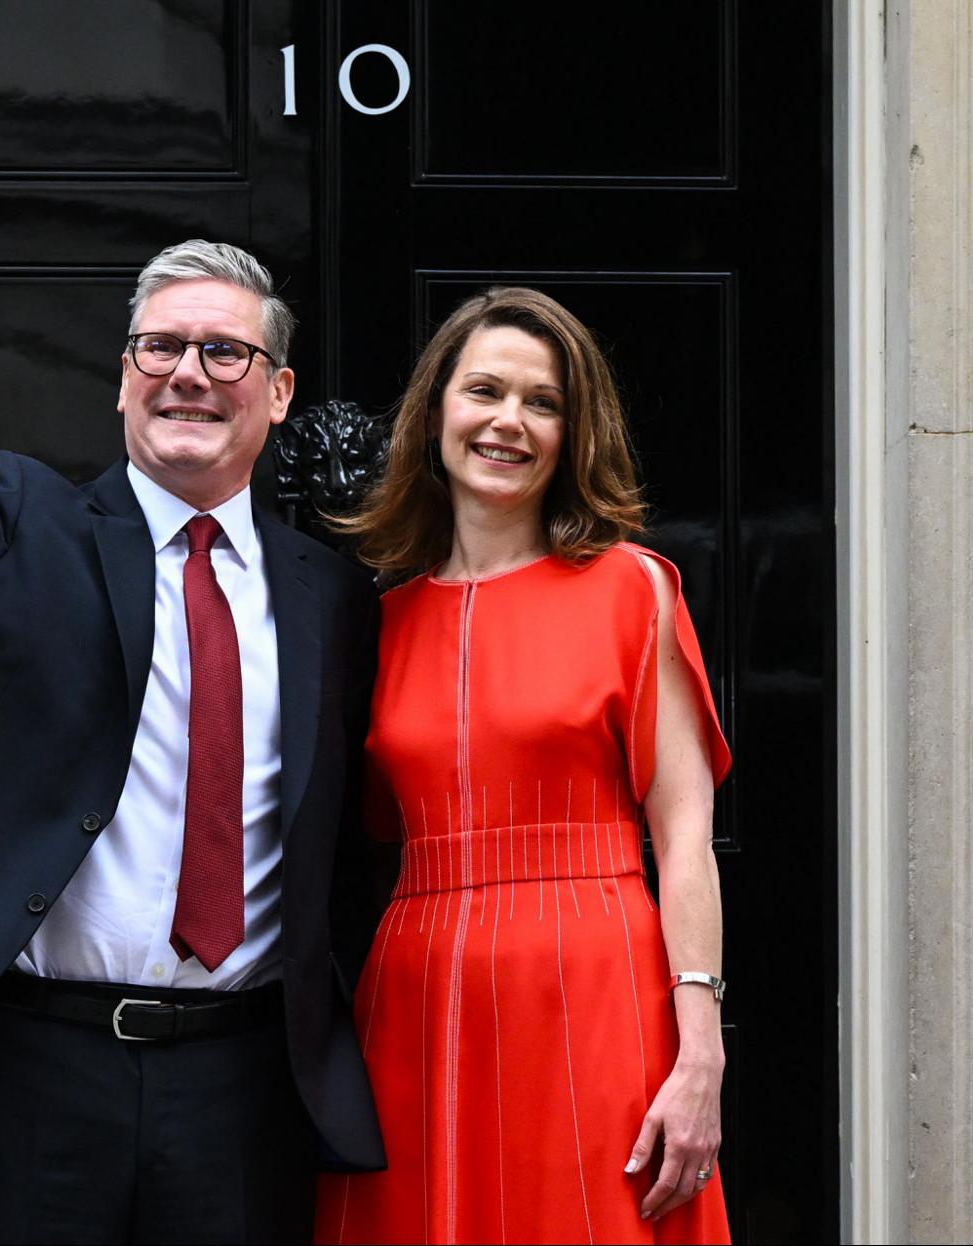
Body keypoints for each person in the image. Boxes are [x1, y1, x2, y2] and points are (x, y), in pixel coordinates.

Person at [0, 91, 385, 1245]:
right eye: (161, 346)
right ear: (121, 378)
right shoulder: (17, 520)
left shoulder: (333, 598)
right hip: (26, 1071)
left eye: (225, 351)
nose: (190, 373)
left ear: (279, 391)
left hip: (242, 1084)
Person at [313, 286, 733, 1244]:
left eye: (542, 402)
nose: (509, 421)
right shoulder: (377, 624)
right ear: (434, 416)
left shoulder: (633, 588)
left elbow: (685, 840)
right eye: (485, 391)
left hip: (596, 982)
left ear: (571, 431)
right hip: (417, 997)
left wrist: (699, 1049)